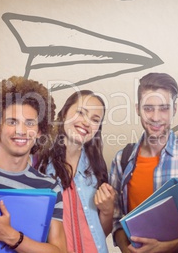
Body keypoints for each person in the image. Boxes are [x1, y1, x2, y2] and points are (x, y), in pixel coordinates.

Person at [109, 72, 178, 252]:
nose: (156, 117)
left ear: (175, 109)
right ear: (137, 109)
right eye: (148, 108)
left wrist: (164, 247)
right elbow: (115, 217)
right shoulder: (122, 159)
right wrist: (126, 249)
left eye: (164, 108)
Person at [0, 76, 67, 252]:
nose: (20, 131)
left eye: (29, 123)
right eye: (12, 122)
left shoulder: (50, 187)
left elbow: (59, 251)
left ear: (39, 131)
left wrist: (11, 236)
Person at [38, 90, 116, 253]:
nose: (86, 123)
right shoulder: (40, 165)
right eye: (81, 112)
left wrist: (108, 210)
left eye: (95, 120)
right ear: (64, 113)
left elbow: (100, 232)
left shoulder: (97, 169)